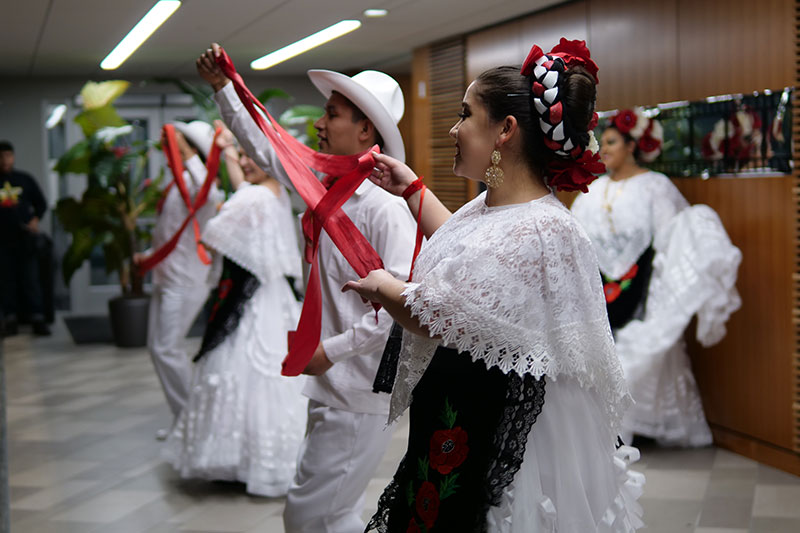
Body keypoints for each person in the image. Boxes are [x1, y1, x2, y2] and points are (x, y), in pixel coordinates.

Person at [343, 39, 644, 532]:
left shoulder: (544, 227)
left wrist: (385, 287)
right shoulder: (493, 208)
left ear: (505, 130)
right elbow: (472, 253)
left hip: (503, 419)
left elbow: (444, 311)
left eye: (465, 114)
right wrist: (411, 190)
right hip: (462, 403)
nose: (453, 128)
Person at [197, 44, 417, 531]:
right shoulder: (324, 189)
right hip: (333, 381)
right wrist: (224, 90)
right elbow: (266, 151)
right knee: (328, 511)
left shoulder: (384, 209)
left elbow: (401, 304)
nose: (319, 123)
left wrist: (332, 350)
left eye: (331, 113)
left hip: (359, 385)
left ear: (365, 130)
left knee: (311, 514)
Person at [570, 109, 741, 447]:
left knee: (644, 342)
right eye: (602, 143)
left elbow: (671, 235)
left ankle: (640, 421)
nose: (604, 149)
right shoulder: (595, 187)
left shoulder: (654, 185)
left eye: (612, 142)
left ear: (632, 145)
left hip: (642, 281)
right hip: (599, 282)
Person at [164, 123, 307, 496]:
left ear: (265, 159)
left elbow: (213, 233)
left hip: (249, 299)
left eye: (250, 155)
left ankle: (237, 461)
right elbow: (243, 188)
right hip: (276, 295)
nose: (244, 162)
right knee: (272, 378)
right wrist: (228, 151)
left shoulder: (253, 199)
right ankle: (268, 459)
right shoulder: (277, 193)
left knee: (239, 371)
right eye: (241, 155)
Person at [136, 122, 223, 438]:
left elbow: (209, 190)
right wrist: (148, 255)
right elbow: (170, 231)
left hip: (186, 279)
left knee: (166, 349)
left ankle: (193, 421)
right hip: (167, 277)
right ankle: (184, 418)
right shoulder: (177, 184)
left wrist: (186, 152)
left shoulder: (199, 182)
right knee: (158, 348)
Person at [0, 141, 50, 337]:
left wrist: (35, 220)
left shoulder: (24, 179)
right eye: (1, 156)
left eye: (8, 156)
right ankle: (10, 319)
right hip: (2, 240)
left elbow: (41, 204)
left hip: (25, 238)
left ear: (13, 157)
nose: (5, 160)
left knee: (30, 279)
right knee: (6, 280)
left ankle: (37, 318)